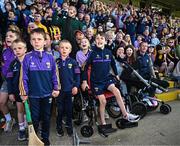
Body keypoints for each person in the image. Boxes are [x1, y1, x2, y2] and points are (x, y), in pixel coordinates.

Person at [81, 32, 140, 126]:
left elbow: (113, 64)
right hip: (96, 83)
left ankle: (125, 115)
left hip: (107, 79)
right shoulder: (92, 54)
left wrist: (116, 74)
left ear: (105, 41)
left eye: (101, 39)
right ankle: (103, 123)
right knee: (103, 101)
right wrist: (84, 81)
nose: (99, 40)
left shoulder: (108, 52)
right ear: (94, 41)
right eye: (97, 39)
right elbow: (84, 69)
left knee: (117, 91)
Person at [19, 28, 60, 146]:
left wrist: (56, 88)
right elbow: (23, 77)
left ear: (45, 42)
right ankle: (34, 137)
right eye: (34, 39)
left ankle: (45, 137)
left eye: (39, 39)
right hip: (33, 94)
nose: (36, 42)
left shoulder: (50, 57)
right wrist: (23, 91)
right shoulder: (27, 57)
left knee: (46, 117)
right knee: (35, 118)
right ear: (30, 42)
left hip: (47, 94)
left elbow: (55, 74)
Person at [56, 40, 80, 137]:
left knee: (69, 110)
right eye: (62, 47)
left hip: (70, 90)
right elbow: (53, 77)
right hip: (59, 91)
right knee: (60, 110)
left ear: (70, 50)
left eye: (66, 48)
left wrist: (76, 86)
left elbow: (77, 75)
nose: (64, 49)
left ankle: (69, 125)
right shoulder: (56, 62)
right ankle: (59, 126)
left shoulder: (73, 62)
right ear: (58, 49)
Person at [0, 29, 21, 132]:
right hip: (7, 81)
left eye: (11, 36)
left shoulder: (20, 51)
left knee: (21, 103)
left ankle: (25, 122)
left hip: (19, 80)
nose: (8, 37)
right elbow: (3, 65)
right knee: (1, 102)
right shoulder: (4, 51)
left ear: (17, 39)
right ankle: (9, 119)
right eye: (7, 36)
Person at [7, 39, 27, 141]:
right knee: (20, 110)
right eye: (14, 49)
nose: (17, 50)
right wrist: (10, 92)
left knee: (30, 110)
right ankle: (22, 129)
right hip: (17, 92)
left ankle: (30, 127)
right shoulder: (13, 64)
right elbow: (9, 79)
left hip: (29, 92)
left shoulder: (30, 61)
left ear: (25, 49)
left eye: (19, 48)